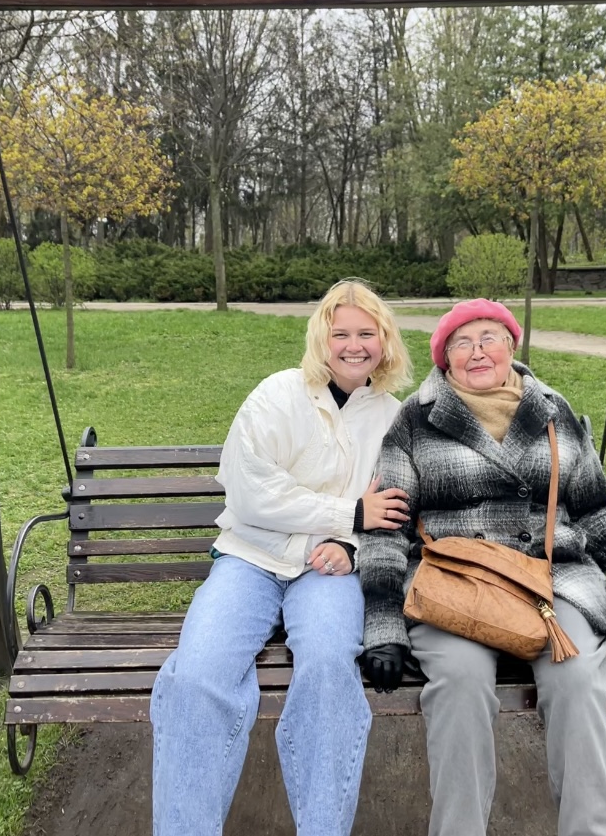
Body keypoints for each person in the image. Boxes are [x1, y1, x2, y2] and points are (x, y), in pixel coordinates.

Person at [357, 297, 606, 836]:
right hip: (455, 584)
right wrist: (384, 630)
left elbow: (592, 510)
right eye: (461, 343)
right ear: (444, 359)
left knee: (577, 677)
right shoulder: (415, 421)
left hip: (549, 583)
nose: (477, 351)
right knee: (459, 681)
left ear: (512, 345)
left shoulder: (553, 410)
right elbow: (386, 528)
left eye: (489, 338)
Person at [150, 278, 413, 836]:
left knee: (326, 670)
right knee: (197, 675)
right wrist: (350, 516)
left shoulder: (394, 418)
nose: (353, 344)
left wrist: (351, 545)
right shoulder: (276, 395)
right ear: (320, 339)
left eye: (367, 333)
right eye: (339, 332)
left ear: (385, 342)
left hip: (327, 570)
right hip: (250, 558)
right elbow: (252, 494)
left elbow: (392, 510)